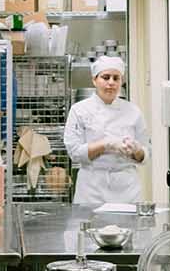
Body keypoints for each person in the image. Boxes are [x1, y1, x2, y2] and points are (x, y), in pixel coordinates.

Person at [63, 56, 148, 204]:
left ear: (122, 81)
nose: (111, 83)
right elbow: (74, 152)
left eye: (116, 78)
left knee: (129, 227)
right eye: (105, 77)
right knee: (90, 227)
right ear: (94, 80)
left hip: (127, 190)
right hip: (91, 189)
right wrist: (105, 144)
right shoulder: (79, 110)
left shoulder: (133, 111)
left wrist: (136, 150)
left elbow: (146, 153)